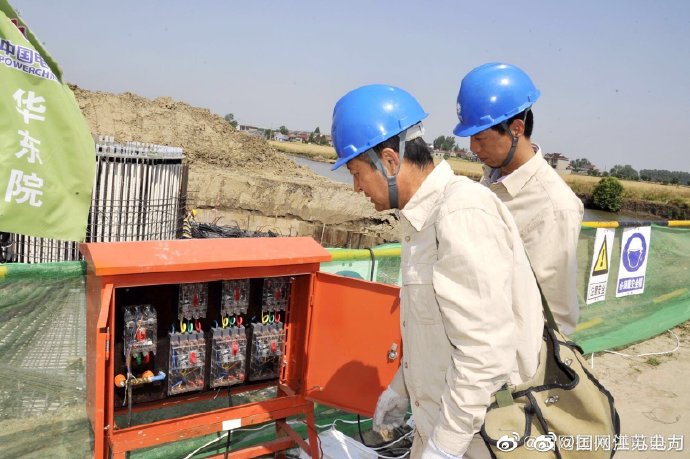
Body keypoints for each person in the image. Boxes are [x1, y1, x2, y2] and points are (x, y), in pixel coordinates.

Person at [331, 84, 544, 459]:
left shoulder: (461, 214)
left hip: (479, 438)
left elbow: (483, 353)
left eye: (357, 172)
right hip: (441, 425)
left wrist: (444, 448)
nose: (356, 187)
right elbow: (436, 331)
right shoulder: (420, 219)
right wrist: (401, 389)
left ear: (390, 161)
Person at [453, 63, 584, 335]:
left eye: (480, 138)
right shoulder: (491, 181)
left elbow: (554, 315)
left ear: (516, 128)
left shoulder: (554, 207)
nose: (473, 148)